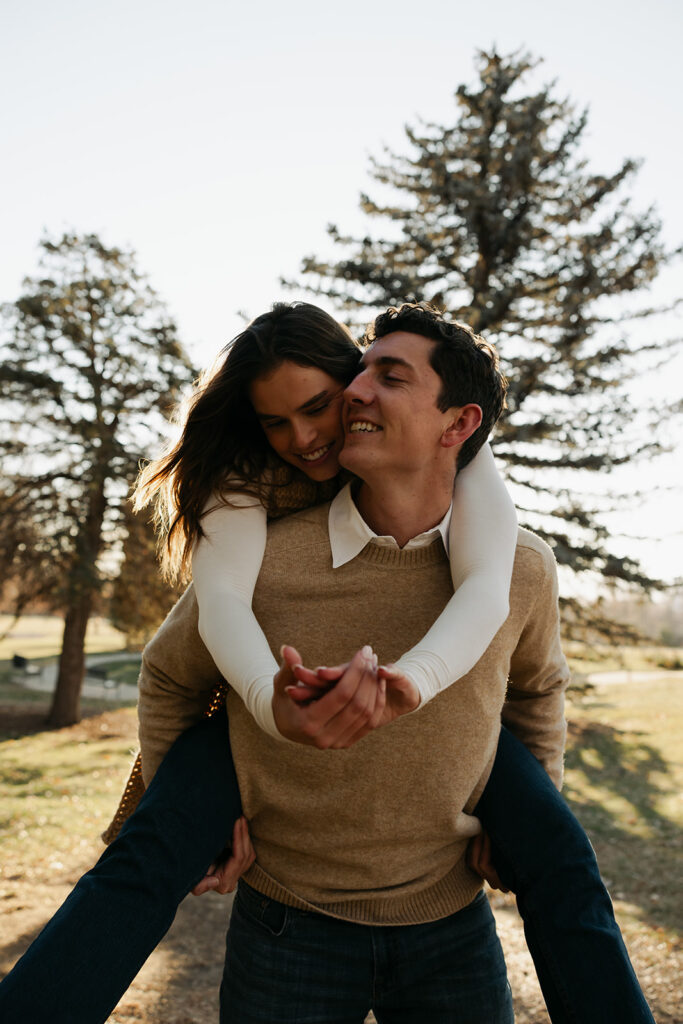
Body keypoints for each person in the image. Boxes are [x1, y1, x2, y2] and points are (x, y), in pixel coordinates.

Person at [0, 304, 654, 1023]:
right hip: (288, 921)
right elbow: (180, 658)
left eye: (333, 399)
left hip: (448, 925)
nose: (312, 432)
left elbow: (531, 681)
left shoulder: (515, 556)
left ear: (458, 425)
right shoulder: (256, 524)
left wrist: (518, 819)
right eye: (281, 420)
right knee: (139, 864)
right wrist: (205, 792)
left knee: (564, 863)